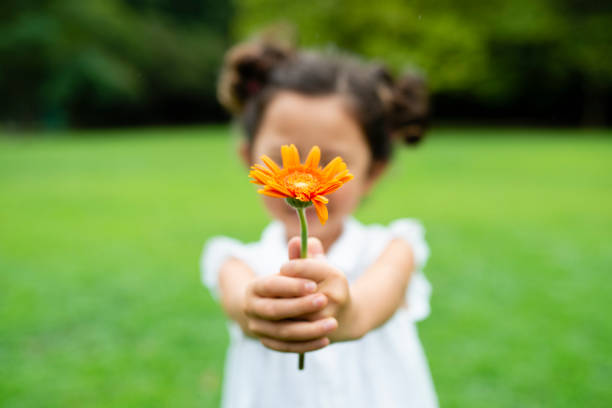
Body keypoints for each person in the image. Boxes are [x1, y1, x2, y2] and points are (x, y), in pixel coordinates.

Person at [201, 34, 438, 408]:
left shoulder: (394, 249)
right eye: (280, 159)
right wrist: (261, 309)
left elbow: (371, 303)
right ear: (250, 159)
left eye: (330, 162)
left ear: (373, 172)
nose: (301, 174)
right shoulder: (235, 262)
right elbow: (242, 304)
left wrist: (346, 313)